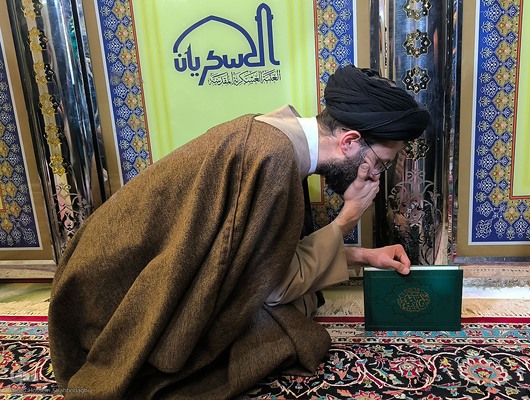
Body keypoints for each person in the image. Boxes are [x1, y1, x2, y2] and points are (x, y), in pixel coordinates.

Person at [48, 65, 430, 399]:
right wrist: (347, 218)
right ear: (349, 142)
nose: (374, 177)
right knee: (283, 327)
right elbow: (273, 287)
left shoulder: (280, 133)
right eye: (379, 164)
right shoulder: (274, 158)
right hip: (110, 302)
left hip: (96, 279)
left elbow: (262, 257)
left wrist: (363, 255)